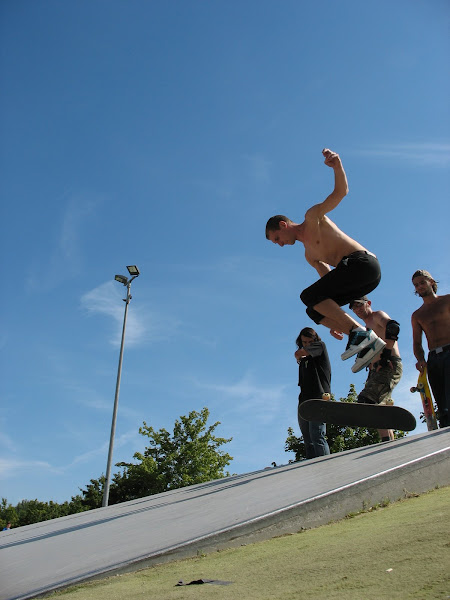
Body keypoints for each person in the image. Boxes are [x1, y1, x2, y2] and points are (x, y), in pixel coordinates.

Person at [266, 148, 385, 373]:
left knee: (307, 296)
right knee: (313, 309)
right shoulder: (309, 256)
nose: (279, 244)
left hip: (363, 264)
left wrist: (337, 165)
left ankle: (360, 333)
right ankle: (362, 341)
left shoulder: (313, 218)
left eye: (277, 239)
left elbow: (340, 193)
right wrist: (333, 318)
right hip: (358, 279)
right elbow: (329, 283)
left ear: (283, 225)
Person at [349, 296, 402, 441]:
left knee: (367, 400)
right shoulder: (366, 329)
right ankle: (387, 441)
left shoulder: (377, 315)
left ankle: (387, 438)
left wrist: (385, 356)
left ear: (368, 303)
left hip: (389, 364)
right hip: (376, 370)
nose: (357, 310)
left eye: (359, 305)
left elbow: (393, 327)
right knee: (378, 407)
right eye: (354, 308)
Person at [411, 270, 450, 428]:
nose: (419, 286)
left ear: (431, 282)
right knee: (441, 403)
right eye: (416, 285)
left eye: (422, 282)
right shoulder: (418, 315)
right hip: (433, 358)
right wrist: (420, 360)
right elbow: (417, 342)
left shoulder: (447, 300)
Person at [295, 327, 331, 459]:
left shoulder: (320, 347)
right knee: (308, 438)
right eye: (304, 342)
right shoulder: (304, 361)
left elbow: (299, 353)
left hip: (319, 397)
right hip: (304, 399)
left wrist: (301, 353)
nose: (307, 345)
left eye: (310, 342)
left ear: (315, 340)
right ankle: (311, 467)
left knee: (317, 435)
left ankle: (325, 466)